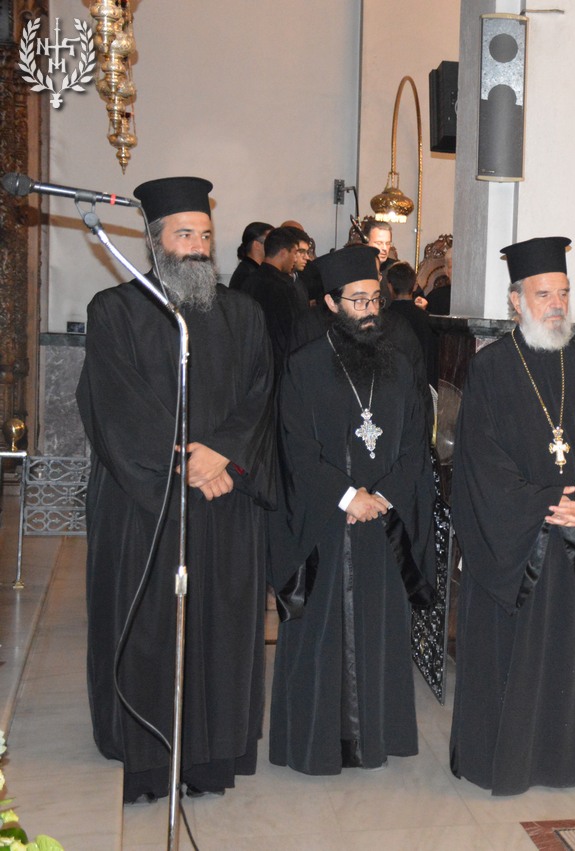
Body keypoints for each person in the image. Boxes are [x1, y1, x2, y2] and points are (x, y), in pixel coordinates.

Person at [77, 177, 276, 803]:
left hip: (224, 502)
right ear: (154, 240)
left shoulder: (243, 314)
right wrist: (186, 462)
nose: (198, 246)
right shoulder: (114, 312)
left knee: (221, 628)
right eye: (184, 234)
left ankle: (213, 756)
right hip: (146, 508)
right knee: (149, 629)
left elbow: (260, 394)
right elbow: (112, 404)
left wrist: (223, 455)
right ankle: (145, 757)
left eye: (206, 235)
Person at [450, 235, 575, 795]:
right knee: (509, 656)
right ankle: (499, 763)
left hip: (573, 542)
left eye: (563, 293)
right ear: (515, 300)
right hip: (516, 545)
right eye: (544, 294)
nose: (557, 305)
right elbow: (481, 461)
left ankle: (558, 763)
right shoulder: (491, 369)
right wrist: (545, 504)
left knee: (565, 660)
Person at [268, 244, 435, 775]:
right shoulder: (303, 366)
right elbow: (293, 447)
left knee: (381, 627)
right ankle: (318, 744)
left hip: (383, 523)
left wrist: (383, 496)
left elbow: (417, 443)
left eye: (374, 300)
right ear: (329, 303)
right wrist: (347, 496)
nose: (368, 311)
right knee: (323, 630)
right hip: (326, 521)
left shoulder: (399, 365)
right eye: (357, 300)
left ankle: (378, 739)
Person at [240, 225, 310, 375]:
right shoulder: (284, 287)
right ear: (283, 252)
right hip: (280, 367)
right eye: (295, 253)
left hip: (253, 364)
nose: (295, 259)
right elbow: (292, 332)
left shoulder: (249, 282)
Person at [383, 260, 439, 390]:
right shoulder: (428, 320)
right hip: (421, 387)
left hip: (390, 387)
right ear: (414, 286)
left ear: (389, 286)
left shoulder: (383, 320)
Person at [228, 220, 272, 290]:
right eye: (271, 241)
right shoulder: (248, 275)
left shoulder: (251, 270)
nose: (275, 245)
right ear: (257, 245)